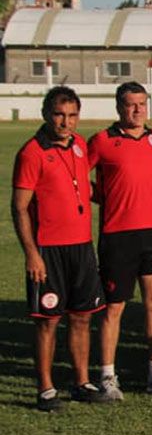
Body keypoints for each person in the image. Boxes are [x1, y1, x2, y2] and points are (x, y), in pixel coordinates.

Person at [12, 87, 107, 411]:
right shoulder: (31, 153)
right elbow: (20, 207)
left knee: (81, 317)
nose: (65, 122)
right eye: (58, 115)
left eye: (71, 115)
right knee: (47, 320)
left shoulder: (80, 145)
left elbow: (82, 186)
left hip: (81, 247)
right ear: (45, 114)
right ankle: (46, 389)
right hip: (48, 251)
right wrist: (32, 253)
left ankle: (81, 382)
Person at [88, 81, 152, 397]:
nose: (138, 110)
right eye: (131, 104)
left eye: (142, 103)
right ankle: (108, 376)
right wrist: (101, 194)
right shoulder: (101, 141)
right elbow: (74, 175)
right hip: (117, 237)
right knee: (114, 308)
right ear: (119, 107)